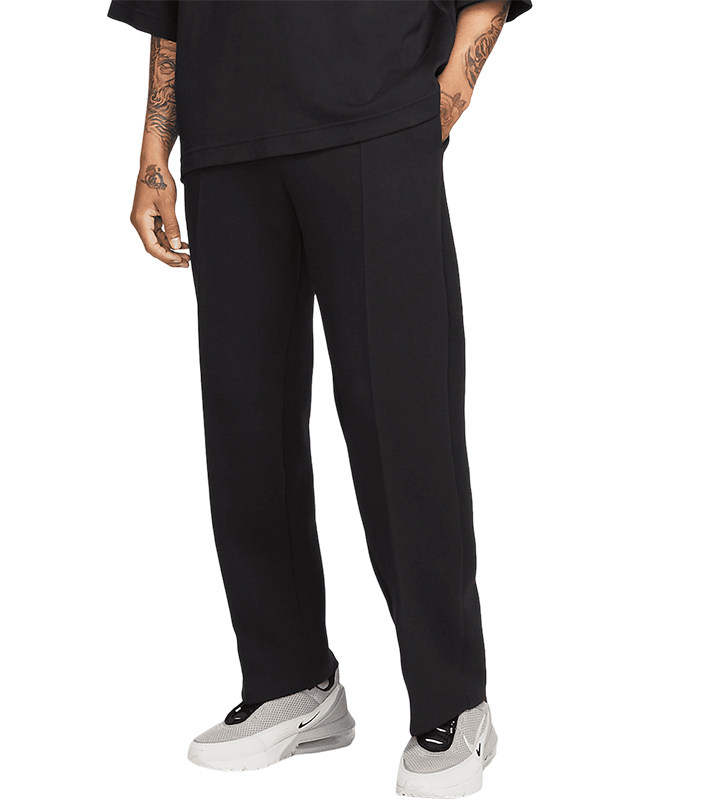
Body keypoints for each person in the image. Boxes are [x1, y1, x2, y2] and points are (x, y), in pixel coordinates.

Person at [107, 1, 531, 796]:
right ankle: (290, 680)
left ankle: (452, 699)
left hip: (374, 119)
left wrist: (446, 95)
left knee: (402, 418)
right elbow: (171, 11)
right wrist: (153, 156)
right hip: (226, 142)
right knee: (244, 423)